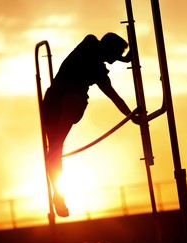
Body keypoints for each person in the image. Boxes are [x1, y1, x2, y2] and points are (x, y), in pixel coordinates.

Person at [42, 33, 139, 218]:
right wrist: (131, 115)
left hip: (52, 102)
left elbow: (104, 55)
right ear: (110, 49)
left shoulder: (90, 44)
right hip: (68, 102)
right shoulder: (96, 63)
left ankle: (58, 194)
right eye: (115, 54)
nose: (112, 61)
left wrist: (122, 57)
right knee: (56, 148)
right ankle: (58, 194)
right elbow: (114, 96)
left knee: (55, 149)